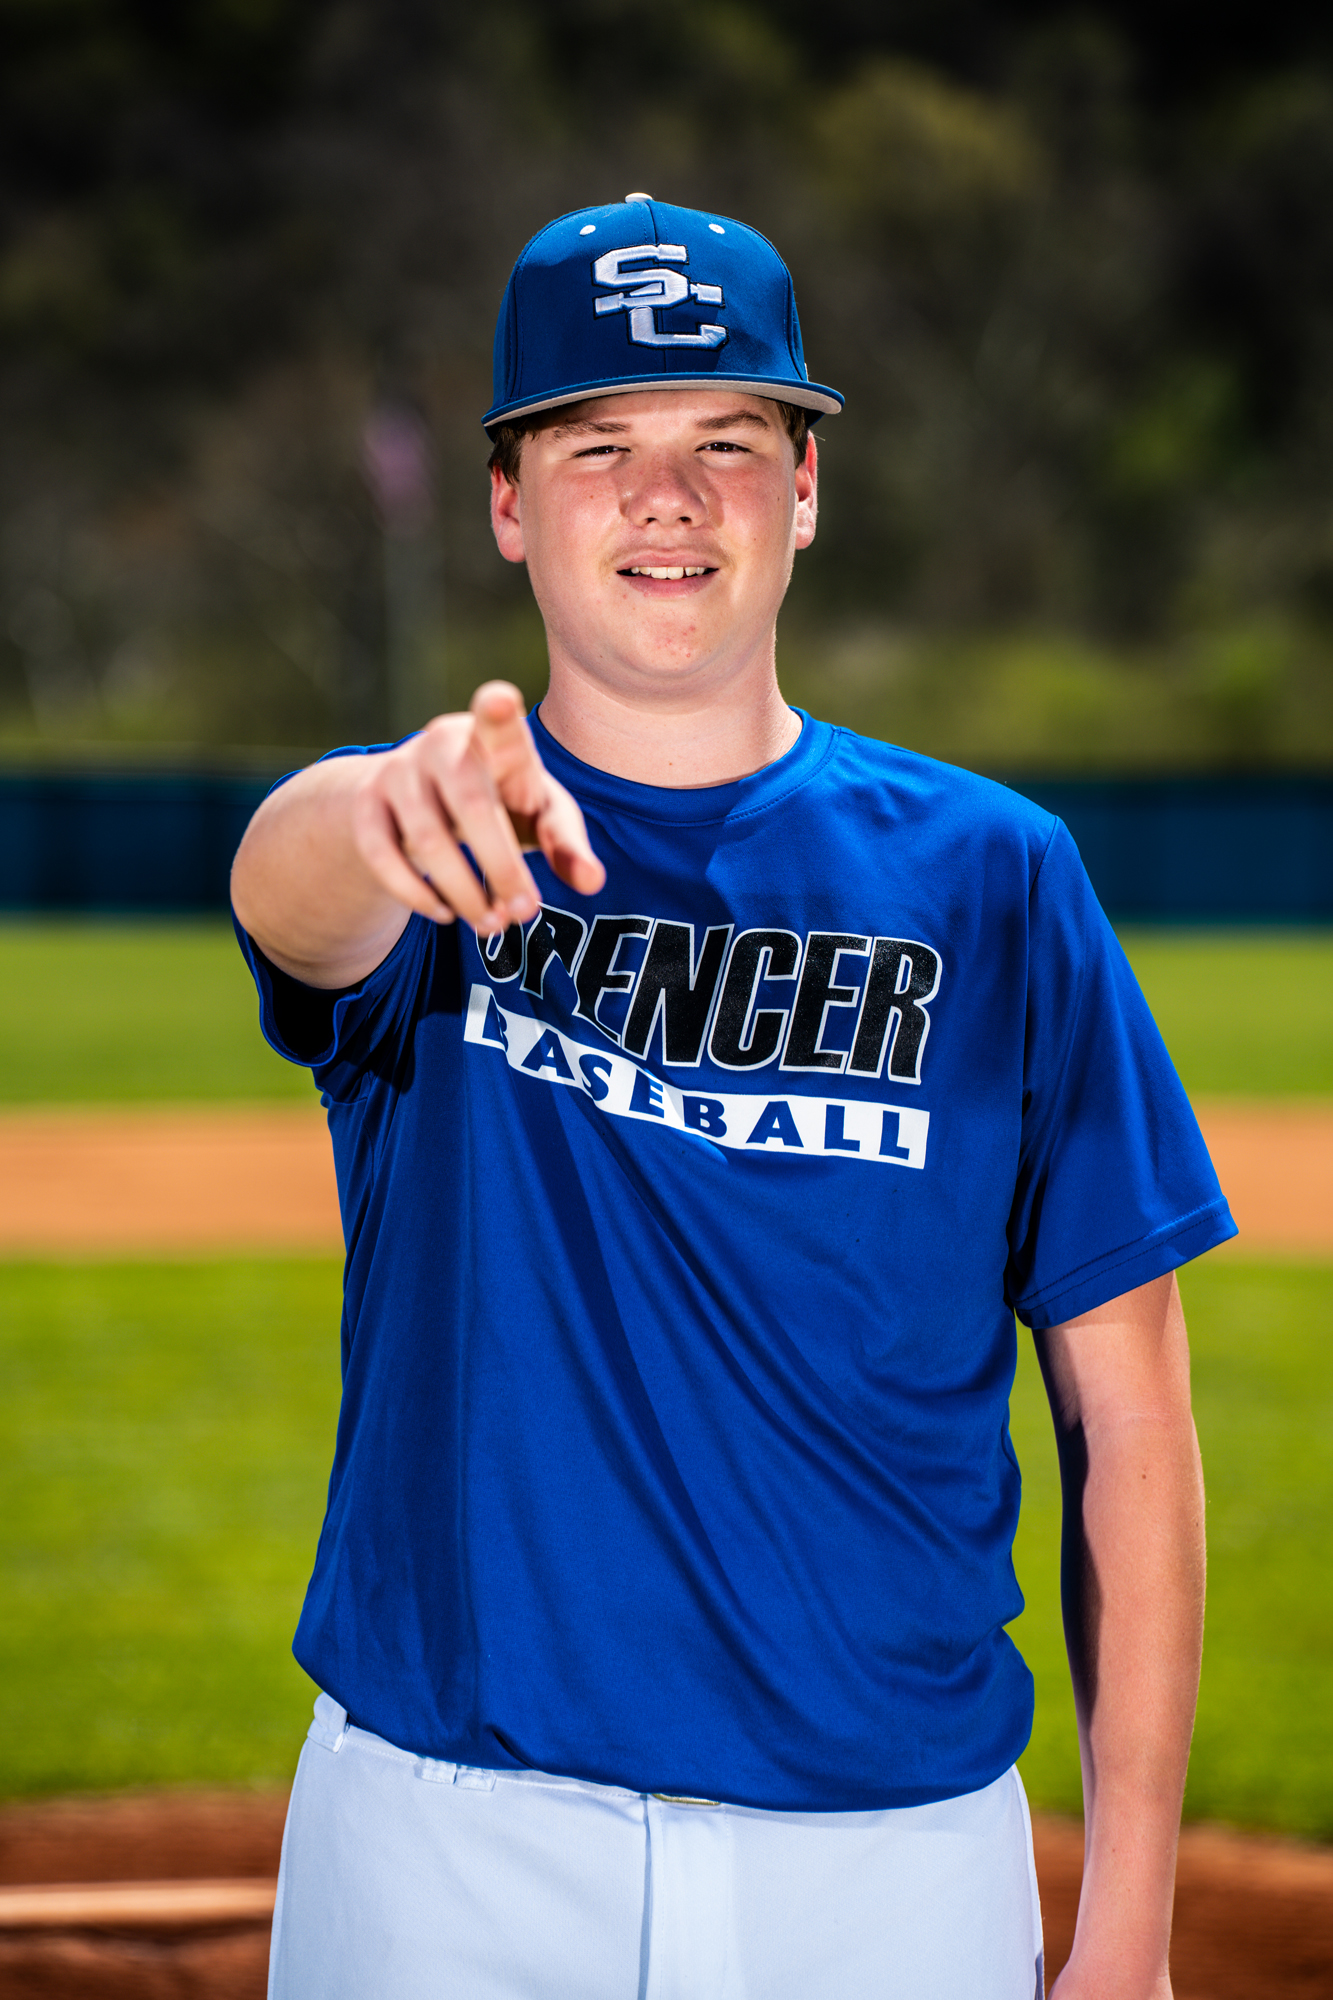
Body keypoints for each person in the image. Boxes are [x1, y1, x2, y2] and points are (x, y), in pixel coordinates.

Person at [231, 194, 1234, 2000]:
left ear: (805, 488)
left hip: (888, 1867)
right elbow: (290, 897)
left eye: (726, 441)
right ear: (506, 504)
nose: (667, 497)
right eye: (597, 445)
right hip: (444, 1849)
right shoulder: (428, 845)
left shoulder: (995, 877)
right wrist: (377, 806)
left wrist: (1131, 1928)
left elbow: (1132, 1425)